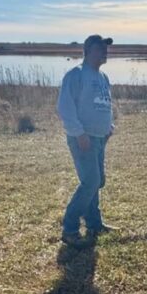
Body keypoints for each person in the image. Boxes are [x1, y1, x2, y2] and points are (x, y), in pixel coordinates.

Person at [56, 35, 118, 247]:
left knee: (97, 181)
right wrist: (79, 133)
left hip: (100, 137)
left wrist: (108, 127)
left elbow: (104, 104)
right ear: (88, 51)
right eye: (100, 49)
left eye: (105, 49)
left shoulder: (103, 77)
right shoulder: (77, 75)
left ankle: (94, 224)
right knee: (90, 182)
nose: (105, 52)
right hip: (83, 137)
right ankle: (70, 228)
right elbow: (65, 107)